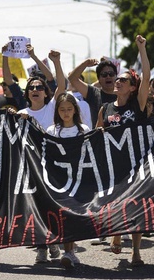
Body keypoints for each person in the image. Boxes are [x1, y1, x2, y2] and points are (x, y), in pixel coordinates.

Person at [96, 35, 150, 267]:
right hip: (113, 167)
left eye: (123, 80)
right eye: (116, 79)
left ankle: (136, 252)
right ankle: (117, 232)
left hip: (136, 164)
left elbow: (147, 75)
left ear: (133, 87)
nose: (117, 82)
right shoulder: (105, 108)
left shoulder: (137, 104)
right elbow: (96, 135)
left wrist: (141, 48)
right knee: (116, 204)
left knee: (135, 206)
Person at [14, 45, 65, 263]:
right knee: (35, 207)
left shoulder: (53, 107)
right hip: (30, 167)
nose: (35, 89)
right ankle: (42, 248)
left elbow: (61, 84)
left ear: (46, 92)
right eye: (31, 87)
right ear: (27, 94)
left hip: (53, 165)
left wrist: (53, 61)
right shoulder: (20, 114)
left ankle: (53, 243)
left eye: (39, 86)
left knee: (52, 206)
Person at [46, 93, 90, 269]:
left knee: (72, 215)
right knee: (61, 215)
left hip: (78, 179)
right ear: (57, 111)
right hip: (58, 179)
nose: (66, 113)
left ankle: (69, 252)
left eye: (69, 109)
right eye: (62, 109)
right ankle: (62, 247)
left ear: (75, 110)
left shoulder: (84, 130)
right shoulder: (52, 130)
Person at [68, 57, 117, 128]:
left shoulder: (124, 94)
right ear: (98, 79)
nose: (108, 77)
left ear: (116, 77)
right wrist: (85, 63)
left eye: (111, 74)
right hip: (100, 137)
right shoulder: (93, 93)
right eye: (104, 74)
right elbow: (72, 79)